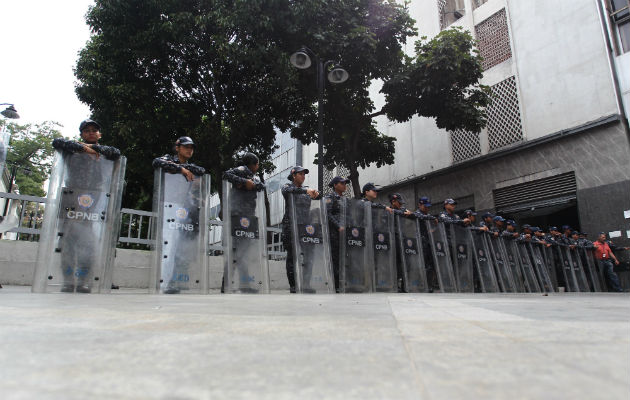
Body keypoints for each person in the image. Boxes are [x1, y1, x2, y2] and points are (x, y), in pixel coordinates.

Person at [51, 119, 121, 293]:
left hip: (94, 201)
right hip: (71, 199)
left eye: (94, 130)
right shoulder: (72, 149)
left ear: (100, 134)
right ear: (81, 133)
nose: (91, 132)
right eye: (87, 130)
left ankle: (83, 280)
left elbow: (116, 153)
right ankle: (68, 280)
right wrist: (83, 148)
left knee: (88, 243)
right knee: (67, 242)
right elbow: (57, 142)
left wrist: (93, 149)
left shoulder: (105, 152)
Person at [152, 137, 205, 294]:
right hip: (168, 205)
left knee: (178, 248)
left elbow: (201, 171)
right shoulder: (168, 159)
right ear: (177, 147)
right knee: (168, 245)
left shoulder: (191, 166)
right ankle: (163, 284)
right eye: (186, 147)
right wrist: (181, 169)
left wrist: (185, 168)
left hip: (183, 209)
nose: (189, 150)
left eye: (192, 147)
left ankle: (172, 282)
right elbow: (157, 162)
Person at [223, 152, 266, 293]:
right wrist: (243, 182)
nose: (258, 167)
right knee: (235, 251)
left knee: (243, 254)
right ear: (253, 164)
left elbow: (261, 187)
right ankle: (227, 285)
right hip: (237, 216)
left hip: (249, 217)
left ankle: (244, 284)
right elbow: (226, 175)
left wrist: (251, 184)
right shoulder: (241, 170)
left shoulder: (254, 177)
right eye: (257, 164)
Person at [281, 166, 319, 293]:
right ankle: (293, 285)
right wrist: (306, 191)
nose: (303, 176)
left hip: (306, 228)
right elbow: (288, 191)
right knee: (292, 256)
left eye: (304, 174)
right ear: (293, 175)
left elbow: (318, 199)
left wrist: (316, 194)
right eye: (300, 174)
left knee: (309, 256)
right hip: (291, 226)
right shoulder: (288, 186)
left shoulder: (305, 189)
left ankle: (306, 284)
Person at [325, 176, 350, 292]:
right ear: (335, 185)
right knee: (335, 259)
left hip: (345, 234)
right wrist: (338, 226)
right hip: (334, 233)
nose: (345, 185)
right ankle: (336, 285)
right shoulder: (330, 197)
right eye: (342, 183)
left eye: (345, 183)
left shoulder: (345, 199)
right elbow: (328, 214)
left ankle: (343, 283)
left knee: (344, 259)